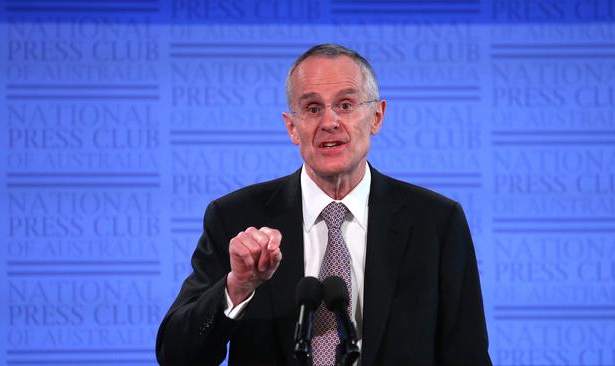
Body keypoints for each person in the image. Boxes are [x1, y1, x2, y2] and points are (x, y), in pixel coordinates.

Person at [156, 44, 492, 366]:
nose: (329, 121)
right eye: (313, 108)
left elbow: (467, 356)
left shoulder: (436, 223)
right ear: (292, 127)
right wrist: (237, 287)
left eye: (346, 105)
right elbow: (177, 355)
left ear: (377, 116)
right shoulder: (236, 218)